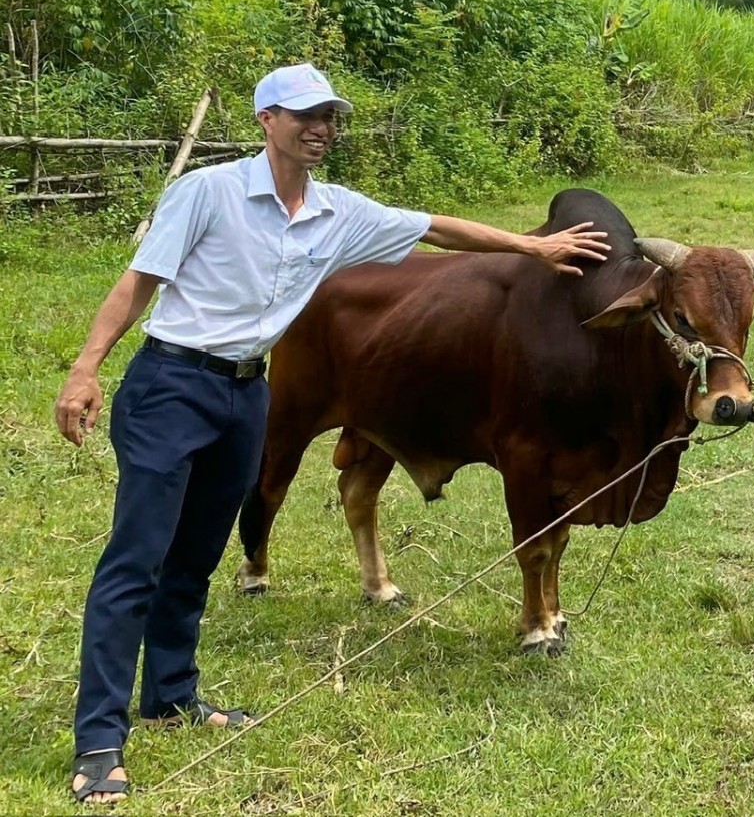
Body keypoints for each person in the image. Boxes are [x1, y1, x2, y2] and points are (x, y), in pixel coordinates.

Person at [54, 63, 610, 804]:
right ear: (266, 121)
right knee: (138, 560)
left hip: (248, 392)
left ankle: (171, 696)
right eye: (306, 115)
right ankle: (98, 740)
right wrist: (85, 369)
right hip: (173, 384)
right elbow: (138, 284)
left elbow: (438, 228)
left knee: (195, 556)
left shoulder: (336, 211)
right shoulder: (208, 192)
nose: (322, 129)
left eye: (331, 117)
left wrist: (531, 247)